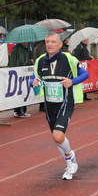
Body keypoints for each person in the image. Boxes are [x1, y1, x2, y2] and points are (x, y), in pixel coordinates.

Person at [30, 31, 89, 180]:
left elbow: (85, 74)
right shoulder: (40, 60)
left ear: (60, 44)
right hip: (50, 105)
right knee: (57, 138)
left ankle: (70, 159)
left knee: (57, 136)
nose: (49, 44)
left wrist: (72, 81)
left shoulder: (69, 59)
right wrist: (33, 82)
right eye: (47, 42)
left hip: (65, 103)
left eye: (53, 42)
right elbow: (34, 77)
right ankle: (70, 160)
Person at [9, 42, 33, 118]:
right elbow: (22, 62)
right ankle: (21, 111)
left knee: (18, 92)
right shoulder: (21, 50)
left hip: (16, 74)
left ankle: (17, 110)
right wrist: (30, 62)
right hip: (21, 74)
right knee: (22, 92)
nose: (27, 42)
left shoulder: (15, 49)